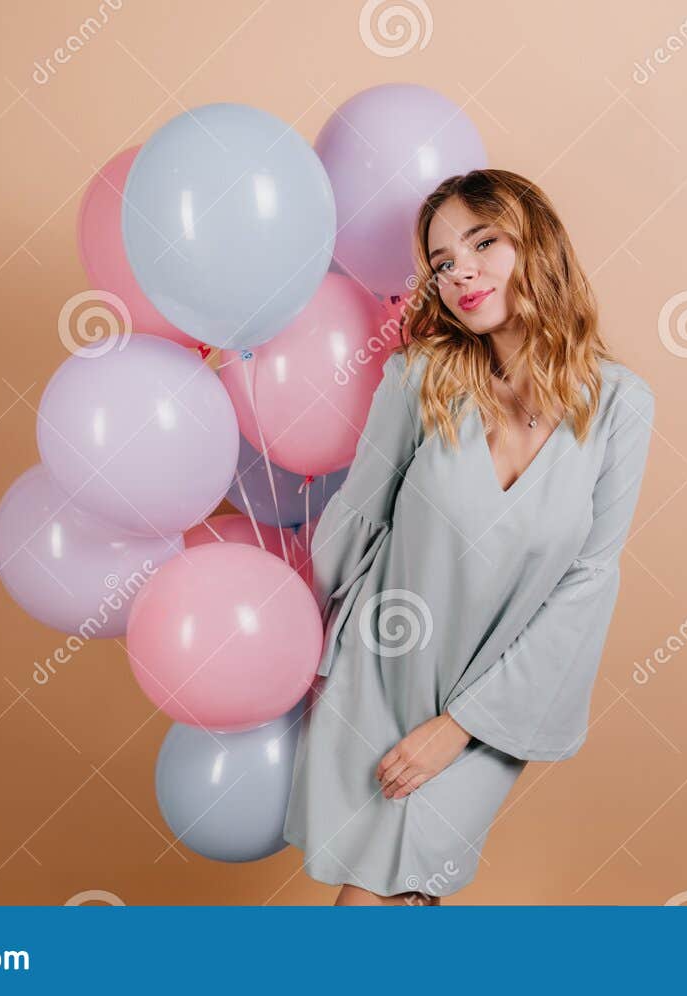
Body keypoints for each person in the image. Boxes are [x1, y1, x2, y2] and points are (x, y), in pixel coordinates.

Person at [281, 169, 657, 905]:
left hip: (492, 708)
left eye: (482, 243)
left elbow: (589, 581)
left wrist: (461, 726)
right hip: (380, 674)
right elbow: (360, 515)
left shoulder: (621, 405)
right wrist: (290, 658)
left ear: (536, 243)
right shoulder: (420, 377)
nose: (462, 274)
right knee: (387, 900)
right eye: (444, 264)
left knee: (404, 896)